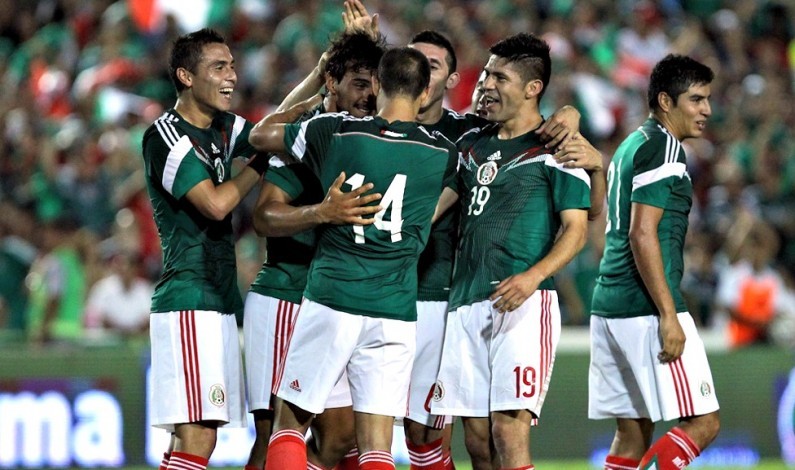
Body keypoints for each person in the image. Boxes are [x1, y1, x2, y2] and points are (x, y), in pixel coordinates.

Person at [249, 46, 458, 470]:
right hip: (396, 310)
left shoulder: (335, 132)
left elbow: (259, 136)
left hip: (333, 295)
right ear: (423, 95)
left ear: (379, 85)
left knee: (289, 423)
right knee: (377, 445)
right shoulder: (445, 154)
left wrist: (311, 96)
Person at [431, 33, 593, 470]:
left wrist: (533, 277)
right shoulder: (472, 144)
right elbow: (433, 211)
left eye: (498, 76)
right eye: (485, 73)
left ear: (532, 87)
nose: (485, 83)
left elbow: (576, 230)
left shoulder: (558, 149)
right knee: (478, 442)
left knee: (508, 430)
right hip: (465, 301)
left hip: (522, 300)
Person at [243, 30, 386, 470]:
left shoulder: (370, 139)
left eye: (377, 86)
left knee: (342, 435)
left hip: (338, 301)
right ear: (332, 83)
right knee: (273, 433)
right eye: (360, 84)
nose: (370, 96)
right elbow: (263, 217)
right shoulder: (298, 138)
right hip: (287, 294)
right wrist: (322, 213)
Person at [140, 28, 270, 470]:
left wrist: (321, 73)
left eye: (232, 65)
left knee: (195, 440)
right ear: (186, 76)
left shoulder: (221, 127)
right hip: (188, 299)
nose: (232, 75)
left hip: (216, 298)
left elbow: (271, 132)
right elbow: (215, 206)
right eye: (219, 67)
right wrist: (259, 165)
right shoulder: (166, 136)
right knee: (198, 437)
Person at [588, 54, 720, 470]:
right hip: (644, 307)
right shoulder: (664, 147)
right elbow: (642, 232)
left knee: (631, 435)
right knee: (703, 422)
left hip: (609, 305)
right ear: (666, 101)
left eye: (708, 99)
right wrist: (668, 314)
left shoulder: (632, 144)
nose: (707, 110)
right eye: (696, 100)